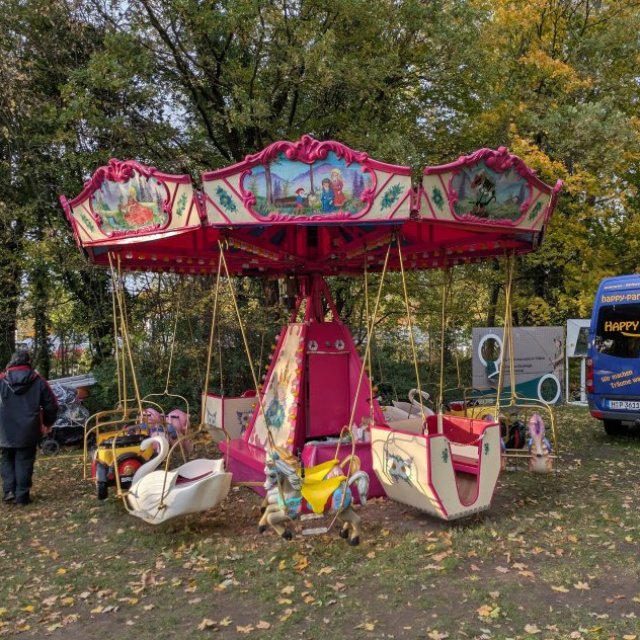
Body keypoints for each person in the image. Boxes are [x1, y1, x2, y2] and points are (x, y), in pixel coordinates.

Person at [0, 350, 58, 506]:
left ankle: (9, 491)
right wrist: (47, 423)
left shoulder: (1, 380)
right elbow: (52, 405)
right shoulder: (38, 380)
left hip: (4, 430)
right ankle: (22, 496)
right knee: (24, 460)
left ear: (12, 362)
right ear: (28, 362)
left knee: (7, 458)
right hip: (29, 429)